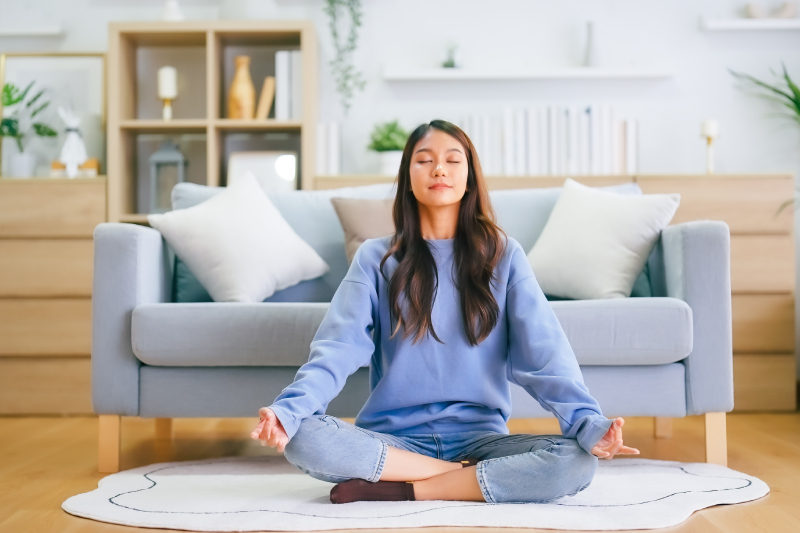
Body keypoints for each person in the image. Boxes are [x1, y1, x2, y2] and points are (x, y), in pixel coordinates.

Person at [250, 119, 639, 505]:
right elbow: (336, 348)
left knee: (575, 463)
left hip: (480, 439)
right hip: (392, 439)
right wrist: (289, 411)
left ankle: (405, 487)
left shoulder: (504, 257)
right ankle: (460, 479)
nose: (439, 168)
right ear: (407, 177)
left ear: (469, 178)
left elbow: (545, 355)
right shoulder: (375, 258)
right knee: (303, 437)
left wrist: (589, 423)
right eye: (425, 160)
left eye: (453, 160)